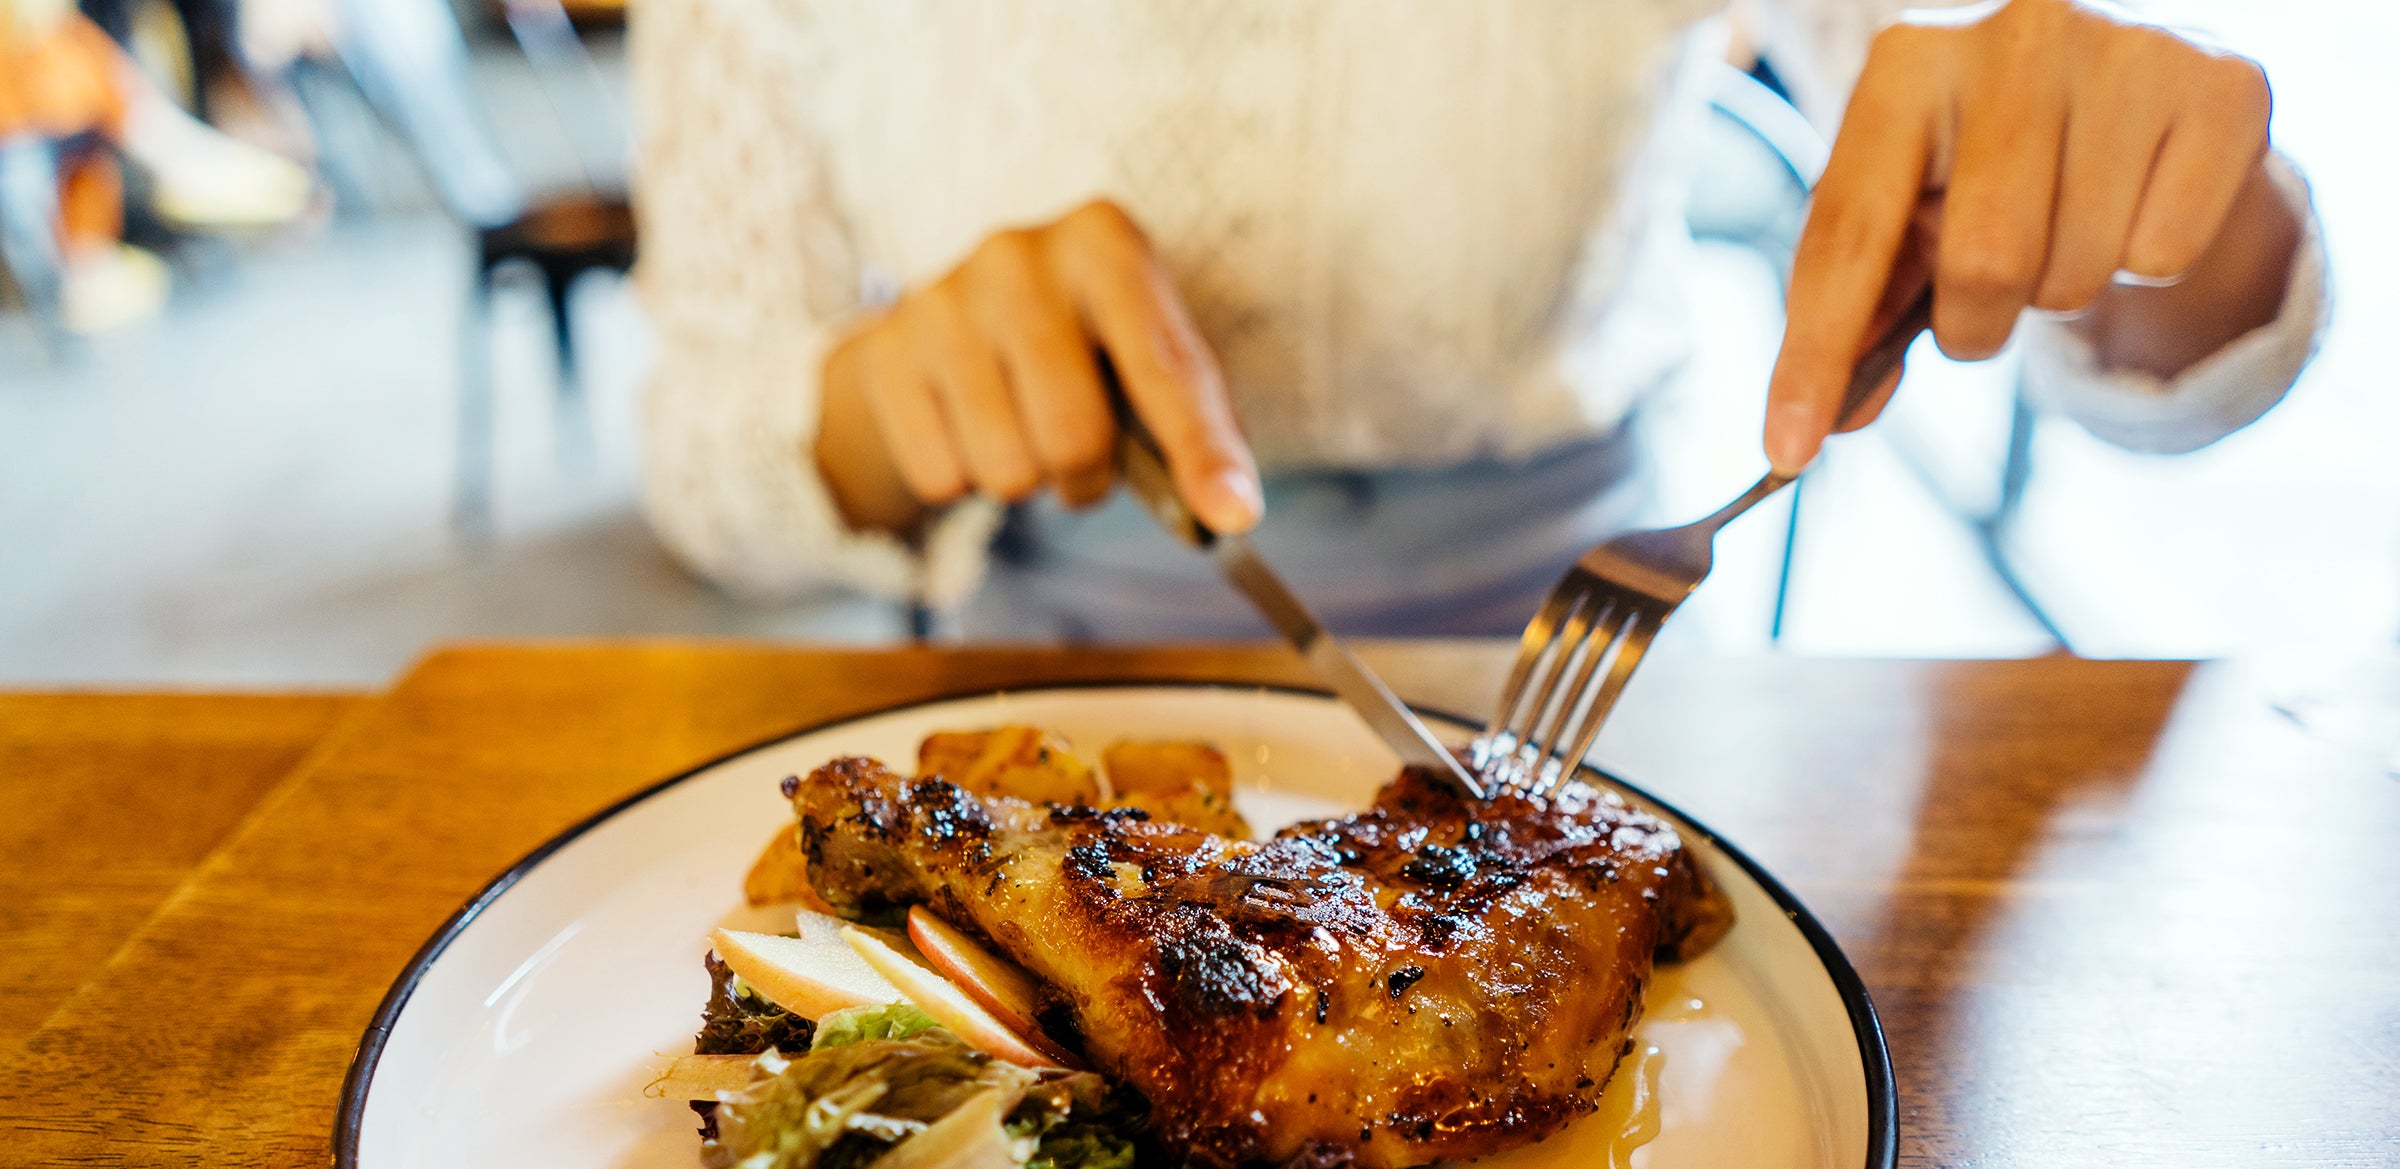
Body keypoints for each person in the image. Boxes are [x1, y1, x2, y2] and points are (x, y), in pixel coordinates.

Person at [629, 0, 2324, 638]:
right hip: (1045, 650)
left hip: (1602, 651)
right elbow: (700, 443)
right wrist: (879, 404)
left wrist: (2181, 218)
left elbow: (2168, 361)